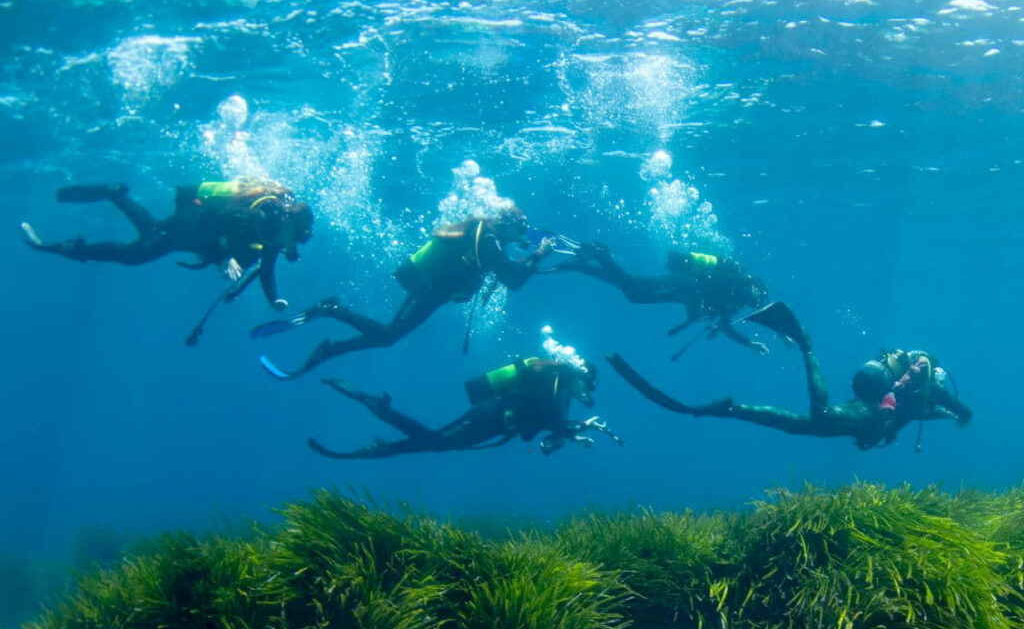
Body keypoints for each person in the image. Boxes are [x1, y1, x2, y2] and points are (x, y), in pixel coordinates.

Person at [607, 301, 972, 451]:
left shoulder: (926, 405)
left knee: (798, 425)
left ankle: (728, 409)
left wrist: (950, 418)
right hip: (872, 407)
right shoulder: (932, 390)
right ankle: (804, 343)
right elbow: (953, 407)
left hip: (868, 404)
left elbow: (932, 412)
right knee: (821, 416)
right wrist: (962, 416)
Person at [253, 206, 555, 380]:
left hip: (433, 289)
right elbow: (513, 281)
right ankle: (332, 314)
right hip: (430, 289)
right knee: (388, 337)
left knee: (388, 337)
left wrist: (529, 256)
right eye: (520, 231)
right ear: (509, 227)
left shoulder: (486, 236)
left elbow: (506, 270)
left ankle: (332, 344)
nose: (522, 237)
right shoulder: (490, 242)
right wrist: (540, 254)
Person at [309, 329, 623, 459]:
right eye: (589, 385)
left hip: (494, 420)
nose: (588, 392)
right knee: (435, 442)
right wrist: (582, 428)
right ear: (582, 376)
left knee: (436, 444)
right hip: (489, 417)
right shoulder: (560, 384)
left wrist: (573, 433)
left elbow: (548, 422)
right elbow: (553, 422)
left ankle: (382, 436)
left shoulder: (559, 387)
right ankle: (379, 416)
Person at [20, 179, 314, 311]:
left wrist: (273, 300)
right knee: (137, 252)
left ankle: (115, 195)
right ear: (291, 225)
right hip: (191, 226)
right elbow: (224, 218)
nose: (295, 246)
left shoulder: (275, 235)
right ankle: (78, 241)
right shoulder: (261, 215)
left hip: (192, 236)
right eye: (299, 238)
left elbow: (266, 272)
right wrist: (228, 257)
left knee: (147, 236)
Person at [552, 242, 770, 359]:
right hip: (682, 284)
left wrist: (749, 344)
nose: (752, 304)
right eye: (755, 300)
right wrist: (694, 313)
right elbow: (700, 301)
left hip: (681, 291)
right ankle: (601, 256)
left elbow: (724, 325)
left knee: (634, 292)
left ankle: (583, 266)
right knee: (634, 288)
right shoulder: (737, 285)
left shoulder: (736, 300)